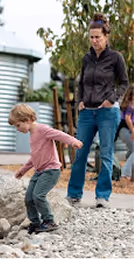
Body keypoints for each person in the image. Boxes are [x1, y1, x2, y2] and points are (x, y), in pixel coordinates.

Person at [67, 13, 129, 208]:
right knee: (80, 154)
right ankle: (74, 194)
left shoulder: (115, 58)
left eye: (98, 37)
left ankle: (102, 196)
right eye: (91, 37)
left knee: (106, 154)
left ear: (106, 36)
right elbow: (81, 84)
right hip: (87, 113)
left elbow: (124, 83)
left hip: (107, 113)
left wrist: (112, 100)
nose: (94, 41)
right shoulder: (86, 59)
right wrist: (80, 101)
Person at [9, 104, 83, 234]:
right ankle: (35, 222)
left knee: (38, 195)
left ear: (27, 120)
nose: (17, 129)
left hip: (51, 170)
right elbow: (34, 157)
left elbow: (59, 135)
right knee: (28, 198)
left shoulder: (42, 129)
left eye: (18, 125)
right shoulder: (32, 135)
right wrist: (23, 170)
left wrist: (73, 141)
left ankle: (49, 221)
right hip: (39, 171)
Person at [116, 85, 134, 180]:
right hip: (125, 130)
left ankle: (131, 175)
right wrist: (133, 131)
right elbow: (127, 118)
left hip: (127, 130)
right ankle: (125, 173)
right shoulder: (130, 105)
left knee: (132, 151)